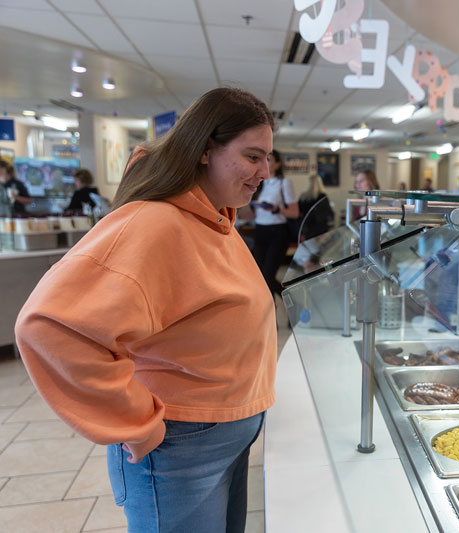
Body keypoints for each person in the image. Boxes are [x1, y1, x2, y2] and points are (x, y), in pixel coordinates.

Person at [15, 88, 278, 532]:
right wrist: (135, 423)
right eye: (253, 156)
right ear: (204, 151)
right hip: (180, 447)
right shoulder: (155, 222)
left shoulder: (216, 218)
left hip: (224, 435)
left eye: (267, 158)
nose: (265, 172)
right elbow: (50, 326)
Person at [251, 149, 299, 296]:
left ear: (277, 164)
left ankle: (288, 299)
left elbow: (295, 212)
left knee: (268, 277)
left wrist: (277, 209)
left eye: (269, 159)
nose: (265, 162)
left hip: (277, 232)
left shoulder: (284, 183)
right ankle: (273, 309)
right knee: (258, 277)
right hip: (260, 231)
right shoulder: (259, 183)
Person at [297, 173, 334, 240]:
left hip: (307, 228)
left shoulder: (303, 197)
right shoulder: (322, 196)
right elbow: (329, 213)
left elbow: (298, 213)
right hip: (321, 228)